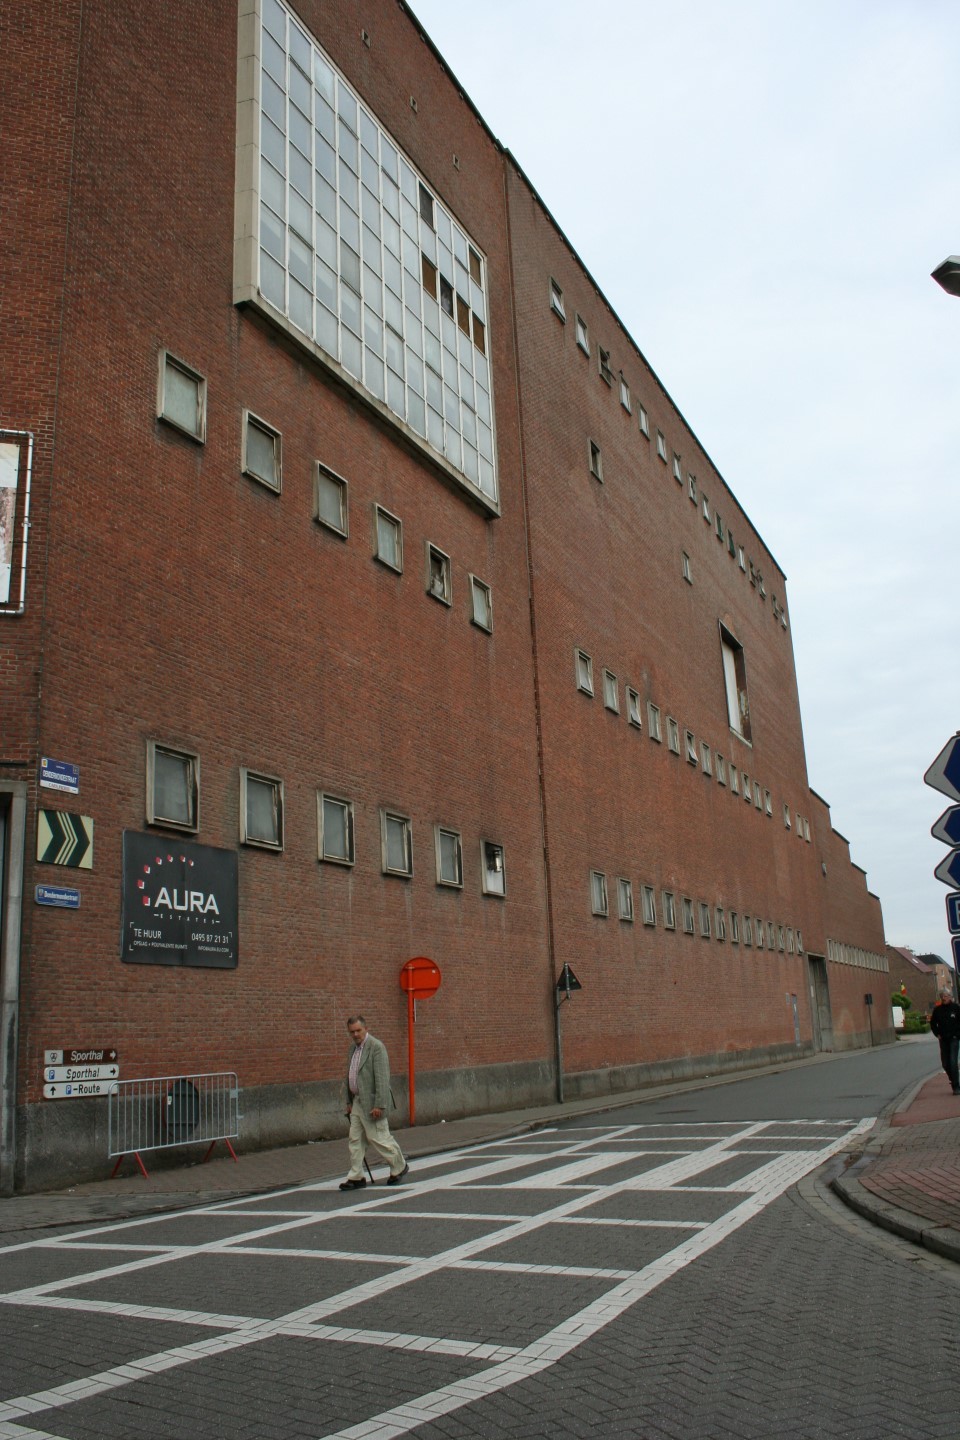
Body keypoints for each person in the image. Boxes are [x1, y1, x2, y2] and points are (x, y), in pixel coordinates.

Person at [339, 1014, 409, 1190]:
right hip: (357, 1101)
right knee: (355, 1139)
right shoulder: (352, 1049)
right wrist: (348, 1101)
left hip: (372, 1103)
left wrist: (380, 1104)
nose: (355, 1034)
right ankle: (356, 1176)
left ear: (366, 1029)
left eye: (358, 1030)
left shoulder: (376, 1047)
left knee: (379, 1138)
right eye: (352, 1032)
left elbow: (382, 1078)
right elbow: (349, 1076)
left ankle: (399, 1165)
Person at [929, 990, 960, 1095]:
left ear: (950, 997)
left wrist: (957, 1034)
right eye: (942, 996)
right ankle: (953, 1078)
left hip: (954, 1039)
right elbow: (933, 1023)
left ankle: (956, 1087)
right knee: (945, 1063)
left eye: (946, 996)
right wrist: (937, 1033)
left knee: (953, 1062)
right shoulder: (938, 1010)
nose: (944, 998)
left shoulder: (956, 1008)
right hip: (943, 1040)